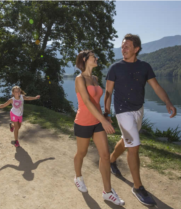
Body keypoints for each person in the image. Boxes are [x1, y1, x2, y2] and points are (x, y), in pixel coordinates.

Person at [104, 34, 177, 207]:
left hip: (138, 110)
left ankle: (111, 160)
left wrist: (167, 102)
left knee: (127, 140)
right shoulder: (115, 68)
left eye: (127, 46)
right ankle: (138, 187)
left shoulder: (145, 67)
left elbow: (156, 87)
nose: (124, 49)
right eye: (122, 46)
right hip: (122, 111)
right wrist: (106, 113)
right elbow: (108, 92)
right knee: (134, 146)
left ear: (136, 49)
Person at [74, 50, 125, 206]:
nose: (96, 58)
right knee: (81, 153)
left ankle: (108, 192)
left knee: (105, 155)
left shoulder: (95, 78)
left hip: (97, 122)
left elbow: (97, 100)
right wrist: (103, 120)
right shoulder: (79, 79)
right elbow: (87, 102)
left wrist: (105, 114)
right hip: (83, 122)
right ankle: (78, 177)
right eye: (93, 57)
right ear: (84, 59)